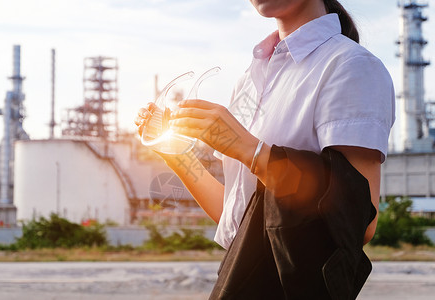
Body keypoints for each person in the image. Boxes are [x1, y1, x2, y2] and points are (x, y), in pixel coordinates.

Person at [135, 0, 395, 298]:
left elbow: (361, 222)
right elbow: (238, 217)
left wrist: (250, 150)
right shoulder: (250, 79)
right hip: (239, 278)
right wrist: (177, 154)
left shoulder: (352, 66)